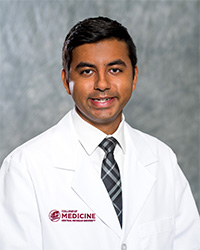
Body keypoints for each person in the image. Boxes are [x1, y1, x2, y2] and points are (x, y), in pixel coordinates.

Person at [0, 16, 199, 250]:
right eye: (86, 72)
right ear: (66, 80)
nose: (102, 84)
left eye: (115, 70)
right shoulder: (25, 167)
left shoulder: (162, 159)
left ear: (134, 77)